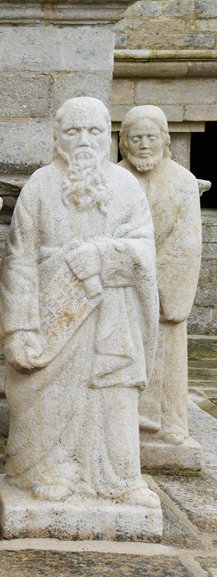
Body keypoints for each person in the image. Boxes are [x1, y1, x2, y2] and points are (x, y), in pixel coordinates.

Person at [0, 97, 160, 508]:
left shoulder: (126, 188)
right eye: (73, 131)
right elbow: (18, 262)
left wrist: (103, 256)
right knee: (46, 390)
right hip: (54, 314)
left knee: (113, 392)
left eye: (94, 131)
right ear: (57, 137)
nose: (84, 140)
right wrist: (19, 328)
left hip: (112, 315)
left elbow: (144, 251)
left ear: (107, 137)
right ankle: (44, 471)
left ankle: (119, 478)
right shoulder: (39, 186)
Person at [119, 105, 203, 452]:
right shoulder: (115, 179)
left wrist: (156, 285)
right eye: (135, 138)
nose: (143, 145)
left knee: (165, 360)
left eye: (151, 137)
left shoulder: (182, 181)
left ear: (165, 140)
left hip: (163, 293)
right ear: (123, 143)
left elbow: (187, 241)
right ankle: (121, 425)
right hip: (122, 291)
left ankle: (169, 426)